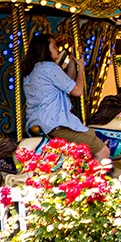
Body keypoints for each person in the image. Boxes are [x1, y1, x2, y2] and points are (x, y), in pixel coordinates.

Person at [22, 34, 112, 172]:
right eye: (53, 46)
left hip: (40, 123)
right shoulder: (49, 67)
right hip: (55, 124)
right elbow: (76, 91)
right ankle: (91, 185)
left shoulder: (34, 70)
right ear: (44, 49)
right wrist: (81, 68)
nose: (57, 49)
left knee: (90, 135)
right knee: (103, 151)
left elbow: (66, 82)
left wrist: (72, 61)